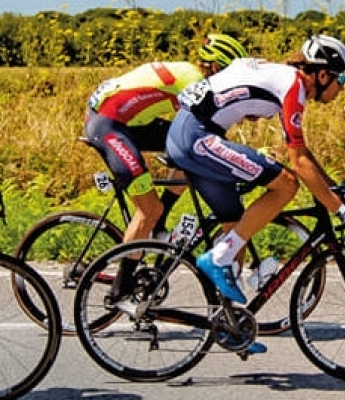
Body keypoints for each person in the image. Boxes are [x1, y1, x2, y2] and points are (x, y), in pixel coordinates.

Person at [165, 34, 345, 354]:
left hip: (192, 133)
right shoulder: (294, 86)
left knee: (235, 227)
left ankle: (232, 327)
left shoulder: (283, 77)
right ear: (323, 74)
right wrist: (342, 211)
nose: (342, 88)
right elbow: (297, 162)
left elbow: (304, 153)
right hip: (197, 138)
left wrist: (334, 191)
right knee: (286, 184)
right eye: (341, 79)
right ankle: (217, 258)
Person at [82, 34, 247, 297]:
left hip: (128, 122)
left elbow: (200, 138)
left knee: (189, 150)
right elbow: (211, 134)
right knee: (149, 209)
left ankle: (161, 220)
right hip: (108, 124)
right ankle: (120, 289)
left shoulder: (192, 75)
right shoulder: (194, 81)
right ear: (217, 68)